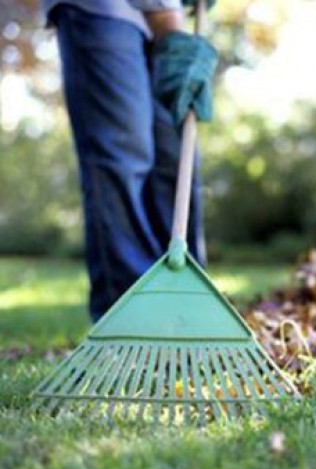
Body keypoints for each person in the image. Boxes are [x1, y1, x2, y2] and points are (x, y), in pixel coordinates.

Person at [41, 0, 218, 321]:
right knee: (124, 155)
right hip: (103, 9)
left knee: (176, 159)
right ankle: (130, 317)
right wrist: (167, 16)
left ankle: (185, 314)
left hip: (165, 16)